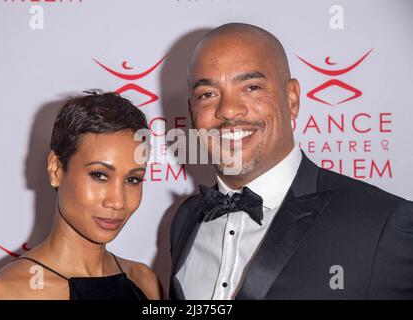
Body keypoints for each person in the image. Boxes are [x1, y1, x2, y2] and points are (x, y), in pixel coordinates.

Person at [169, 23, 413, 300]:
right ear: (192, 112)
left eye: (251, 87)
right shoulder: (185, 219)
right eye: (208, 94)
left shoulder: (383, 224)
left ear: (292, 98)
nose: (228, 110)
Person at [0, 91, 161, 300]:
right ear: (56, 169)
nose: (117, 202)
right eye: (100, 175)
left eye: (133, 180)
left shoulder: (144, 281)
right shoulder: (1, 295)